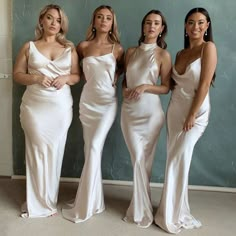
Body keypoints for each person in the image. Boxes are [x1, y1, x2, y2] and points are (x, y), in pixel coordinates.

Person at [13, 4, 80, 218]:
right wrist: (36, 77)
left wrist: (65, 78)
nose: (54, 23)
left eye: (58, 20)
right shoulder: (29, 46)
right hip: (34, 107)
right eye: (50, 18)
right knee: (35, 151)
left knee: (54, 152)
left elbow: (77, 75)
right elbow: (17, 74)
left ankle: (48, 200)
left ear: (62, 25)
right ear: (41, 20)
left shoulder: (69, 49)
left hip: (60, 109)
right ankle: (36, 201)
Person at [154, 7, 217, 233]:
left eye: (201, 23)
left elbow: (203, 85)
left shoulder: (208, 48)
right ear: (185, 26)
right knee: (174, 158)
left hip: (196, 113)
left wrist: (192, 114)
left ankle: (172, 213)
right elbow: (169, 85)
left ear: (207, 26)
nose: (196, 27)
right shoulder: (180, 54)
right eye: (191, 22)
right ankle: (172, 207)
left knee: (178, 159)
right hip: (175, 111)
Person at [62, 5, 124, 223]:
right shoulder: (83, 46)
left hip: (107, 104)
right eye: (100, 17)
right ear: (95, 21)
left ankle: (85, 204)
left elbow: (122, 68)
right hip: (87, 103)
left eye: (108, 17)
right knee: (90, 150)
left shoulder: (117, 49)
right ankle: (95, 200)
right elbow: (73, 68)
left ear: (111, 22)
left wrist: (115, 75)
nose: (104, 20)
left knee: (95, 147)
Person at [120, 10, 171, 228]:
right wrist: (124, 90)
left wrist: (145, 86)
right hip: (129, 112)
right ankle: (142, 206)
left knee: (145, 162)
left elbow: (166, 87)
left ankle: (141, 207)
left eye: (156, 23)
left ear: (161, 29)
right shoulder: (130, 52)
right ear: (143, 26)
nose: (152, 26)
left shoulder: (163, 55)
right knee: (137, 158)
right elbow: (124, 80)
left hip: (151, 114)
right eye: (148, 22)